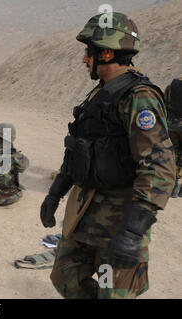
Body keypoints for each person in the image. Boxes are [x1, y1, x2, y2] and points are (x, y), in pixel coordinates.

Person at [39, 12, 176, 299]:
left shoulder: (139, 97)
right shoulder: (100, 94)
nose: (84, 59)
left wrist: (132, 232)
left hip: (119, 221)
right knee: (66, 277)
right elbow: (78, 149)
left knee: (111, 294)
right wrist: (55, 193)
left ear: (108, 52)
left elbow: (159, 167)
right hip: (85, 213)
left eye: (89, 52)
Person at [165, 78, 182, 197]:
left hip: (171, 124)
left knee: (174, 152)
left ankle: (174, 187)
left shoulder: (172, 85)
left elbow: (165, 103)